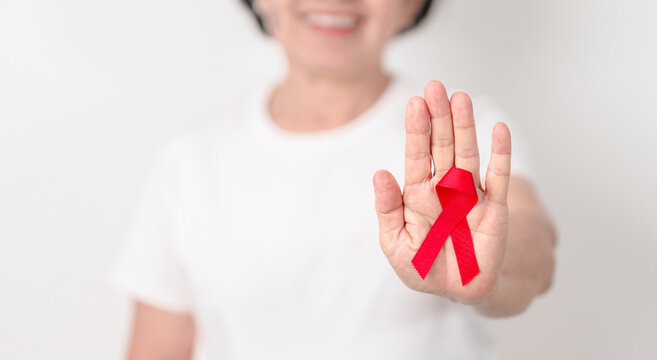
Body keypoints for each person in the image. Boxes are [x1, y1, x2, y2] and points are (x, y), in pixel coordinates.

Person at [111, 0, 557, 359]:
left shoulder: (461, 136)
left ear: (410, 6)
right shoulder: (189, 164)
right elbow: (156, 349)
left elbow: (532, 249)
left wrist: (486, 271)